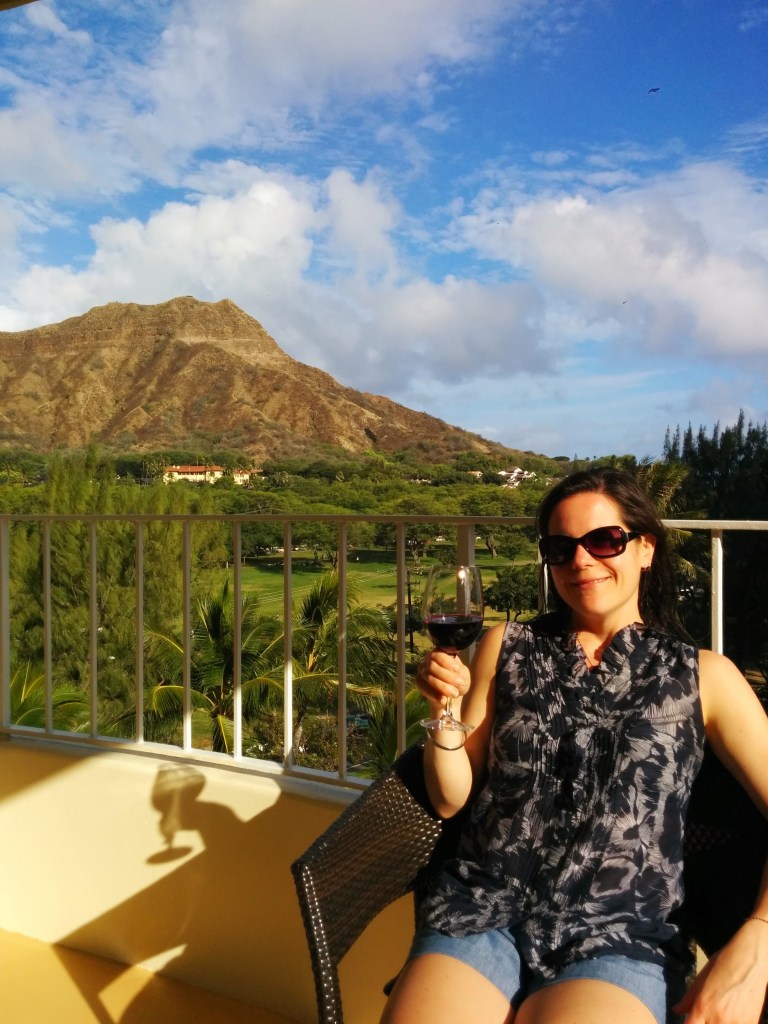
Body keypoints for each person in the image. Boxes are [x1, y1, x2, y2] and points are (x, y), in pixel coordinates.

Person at [381, 467, 768, 1024]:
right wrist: (444, 709)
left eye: (604, 540)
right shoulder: (506, 647)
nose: (581, 560)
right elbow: (449, 800)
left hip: (619, 931)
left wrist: (755, 942)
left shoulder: (704, 676)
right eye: (561, 548)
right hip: (484, 910)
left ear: (645, 550)